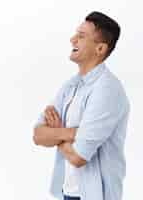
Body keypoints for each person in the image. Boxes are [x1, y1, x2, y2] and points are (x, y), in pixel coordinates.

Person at [33, 11, 130, 200]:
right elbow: (37, 135)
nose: (72, 40)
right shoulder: (71, 86)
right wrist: (71, 132)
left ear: (100, 49)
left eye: (81, 36)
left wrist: (57, 133)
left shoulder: (107, 90)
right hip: (67, 193)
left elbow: (78, 157)